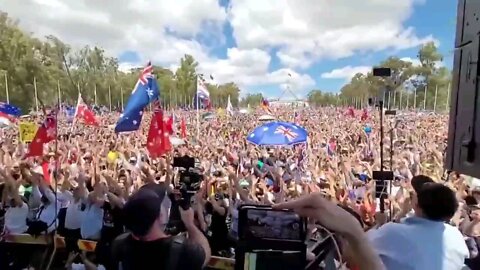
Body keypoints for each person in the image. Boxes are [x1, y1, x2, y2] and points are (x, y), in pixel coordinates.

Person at [367, 176, 469, 270]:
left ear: (416, 205)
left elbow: (360, 244)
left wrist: (379, 224)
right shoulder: (456, 235)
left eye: (413, 195)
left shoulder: (391, 232)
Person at [111, 183, 211, 270]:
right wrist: (190, 224)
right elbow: (205, 254)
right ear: (161, 216)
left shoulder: (119, 244)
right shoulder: (180, 250)